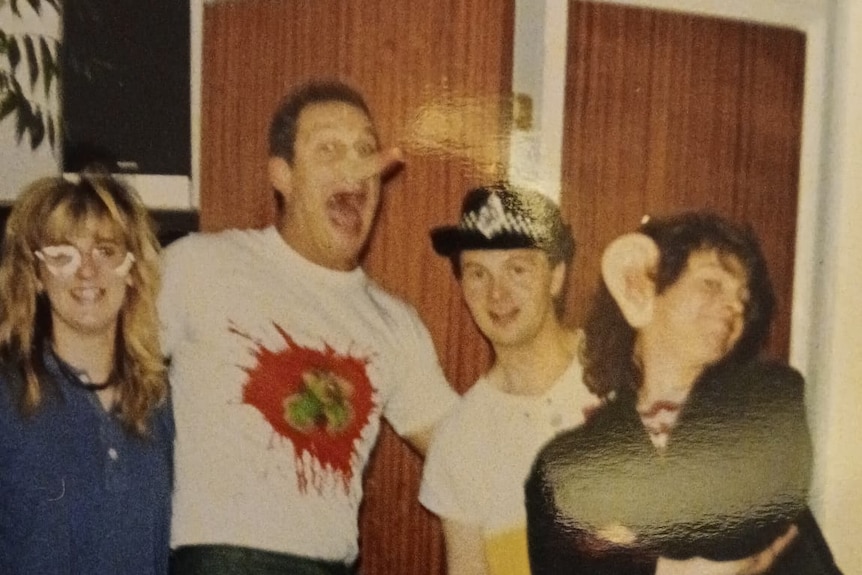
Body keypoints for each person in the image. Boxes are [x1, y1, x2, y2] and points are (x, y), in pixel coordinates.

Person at [160, 80, 460, 574]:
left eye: (365, 150)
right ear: (282, 175)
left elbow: (467, 454)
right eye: (329, 150)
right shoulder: (199, 265)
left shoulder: (395, 324)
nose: (355, 168)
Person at [525, 211, 842, 574]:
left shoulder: (768, 397)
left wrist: (630, 542)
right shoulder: (564, 462)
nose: (736, 306)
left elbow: (739, 533)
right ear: (642, 288)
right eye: (712, 284)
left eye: (743, 297)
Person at [419, 184, 604, 575]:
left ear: (556, 276)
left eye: (517, 269)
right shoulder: (461, 438)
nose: (497, 294)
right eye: (478, 274)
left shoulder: (623, 370)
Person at [0, 171, 173, 574]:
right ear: (37, 276)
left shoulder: (157, 401)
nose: (87, 271)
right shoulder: (8, 396)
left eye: (106, 251)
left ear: (132, 270)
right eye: (64, 255)